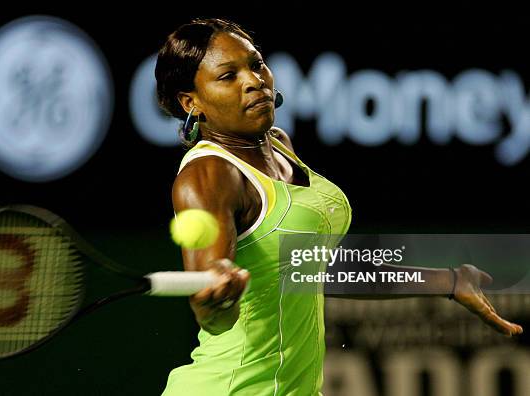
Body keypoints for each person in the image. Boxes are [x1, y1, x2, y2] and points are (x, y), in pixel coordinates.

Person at [155, 18, 523, 395]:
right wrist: (216, 300)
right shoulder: (208, 174)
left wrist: (449, 280)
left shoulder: (279, 144)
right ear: (191, 102)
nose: (254, 80)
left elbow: (309, 266)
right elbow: (213, 311)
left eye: (256, 63)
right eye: (227, 76)